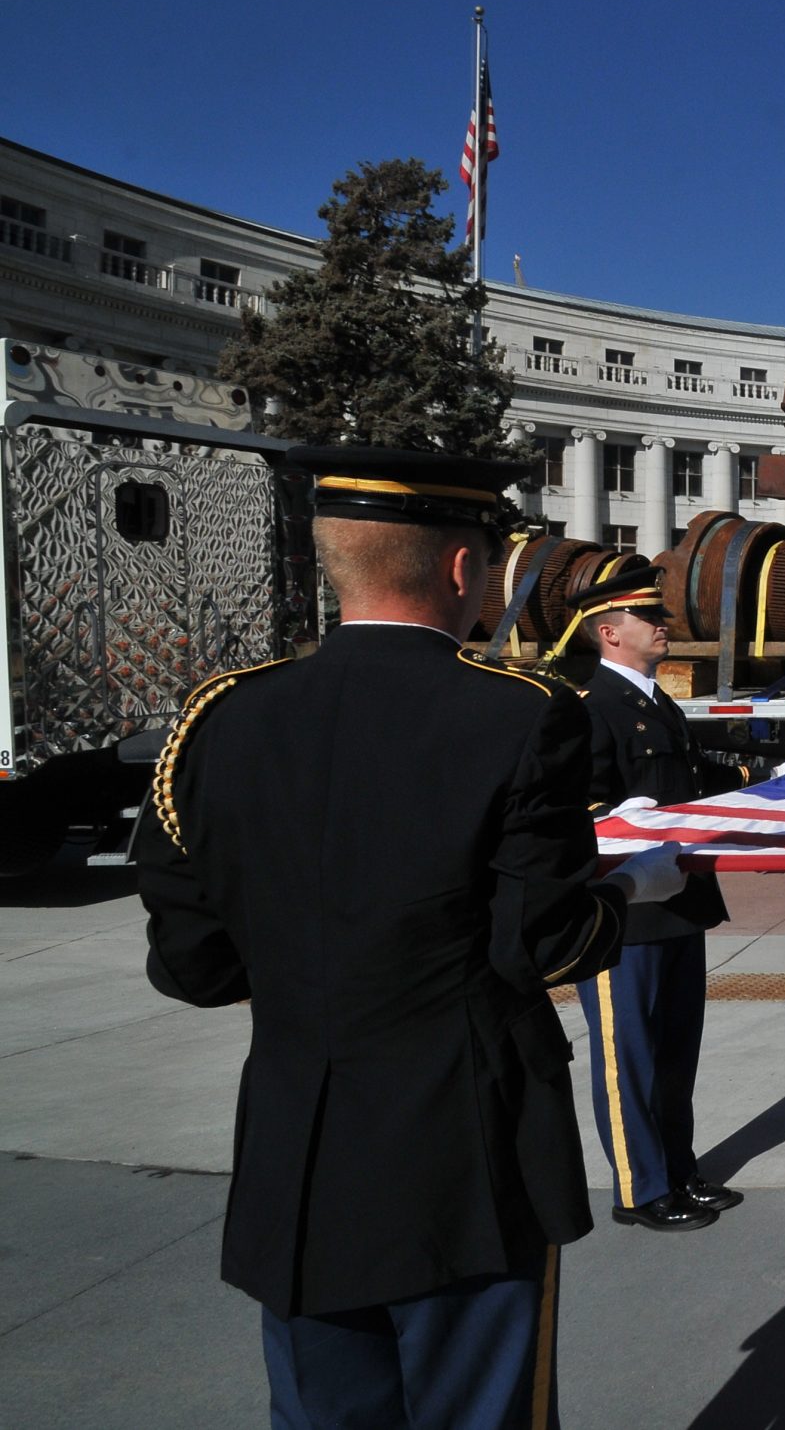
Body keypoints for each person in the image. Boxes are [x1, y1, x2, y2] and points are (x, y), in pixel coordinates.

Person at [133, 445, 688, 1430]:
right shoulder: (521, 715)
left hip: (296, 1158)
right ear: (462, 568)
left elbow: (194, 962)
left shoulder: (222, 717)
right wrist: (631, 885)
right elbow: (546, 944)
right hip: (464, 1158)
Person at [559, 565, 752, 1232]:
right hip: (626, 915)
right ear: (610, 633)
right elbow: (576, 808)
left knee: (674, 1055)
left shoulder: (654, 701)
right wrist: (617, 818)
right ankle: (639, 1189)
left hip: (679, 904)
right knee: (627, 1057)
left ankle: (678, 1169)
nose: (664, 625)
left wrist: (765, 775)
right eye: (650, 618)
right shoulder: (590, 706)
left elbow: (690, 776)